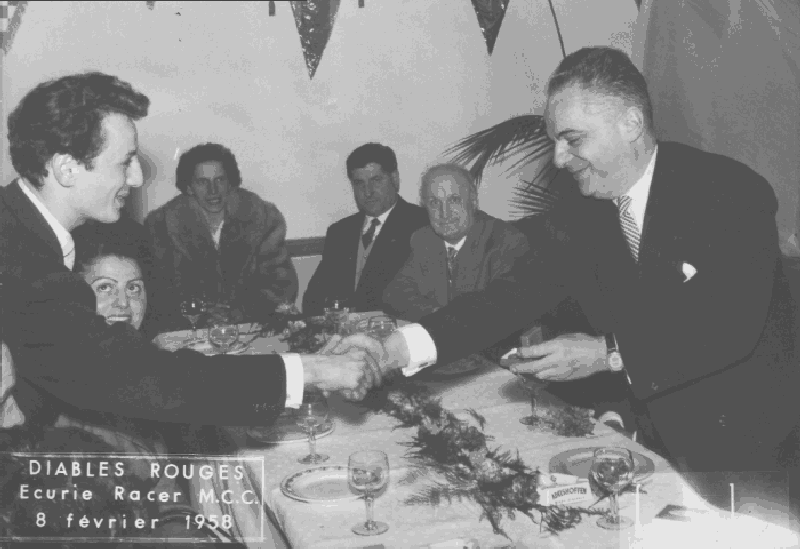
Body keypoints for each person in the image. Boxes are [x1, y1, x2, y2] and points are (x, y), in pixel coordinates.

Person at [349, 47, 800, 509]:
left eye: (572, 139)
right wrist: (397, 349)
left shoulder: (727, 191)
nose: (560, 158)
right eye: (555, 141)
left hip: (753, 456)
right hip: (660, 450)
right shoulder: (585, 216)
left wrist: (608, 353)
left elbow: (728, 323)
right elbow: (507, 298)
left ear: (631, 124)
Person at [0, 72, 379, 444]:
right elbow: (126, 376)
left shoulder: (22, 231)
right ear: (67, 168)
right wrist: (310, 370)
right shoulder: (21, 261)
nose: (135, 179)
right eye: (125, 161)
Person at [145, 143, 298, 324]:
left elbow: (281, 286)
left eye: (220, 180)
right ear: (188, 187)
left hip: (253, 327)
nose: (213, 190)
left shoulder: (263, 218)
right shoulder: (161, 225)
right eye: (202, 182)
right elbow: (157, 293)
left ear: (231, 182)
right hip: (187, 331)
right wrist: (201, 314)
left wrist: (238, 314)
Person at [383, 163, 529, 321]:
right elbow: (395, 295)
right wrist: (437, 313)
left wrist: (446, 318)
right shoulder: (424, 239)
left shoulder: (504, 239)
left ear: (473, 201)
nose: (444, 213)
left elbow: (501, 306)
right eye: (434, 202)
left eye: (454, 200)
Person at [302, 143, 428, 315]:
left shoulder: (421, 224)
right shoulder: (340, 232)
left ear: (395, 179)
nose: (367, 192)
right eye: (359, 183)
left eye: (376, 180)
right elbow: (313, 300)